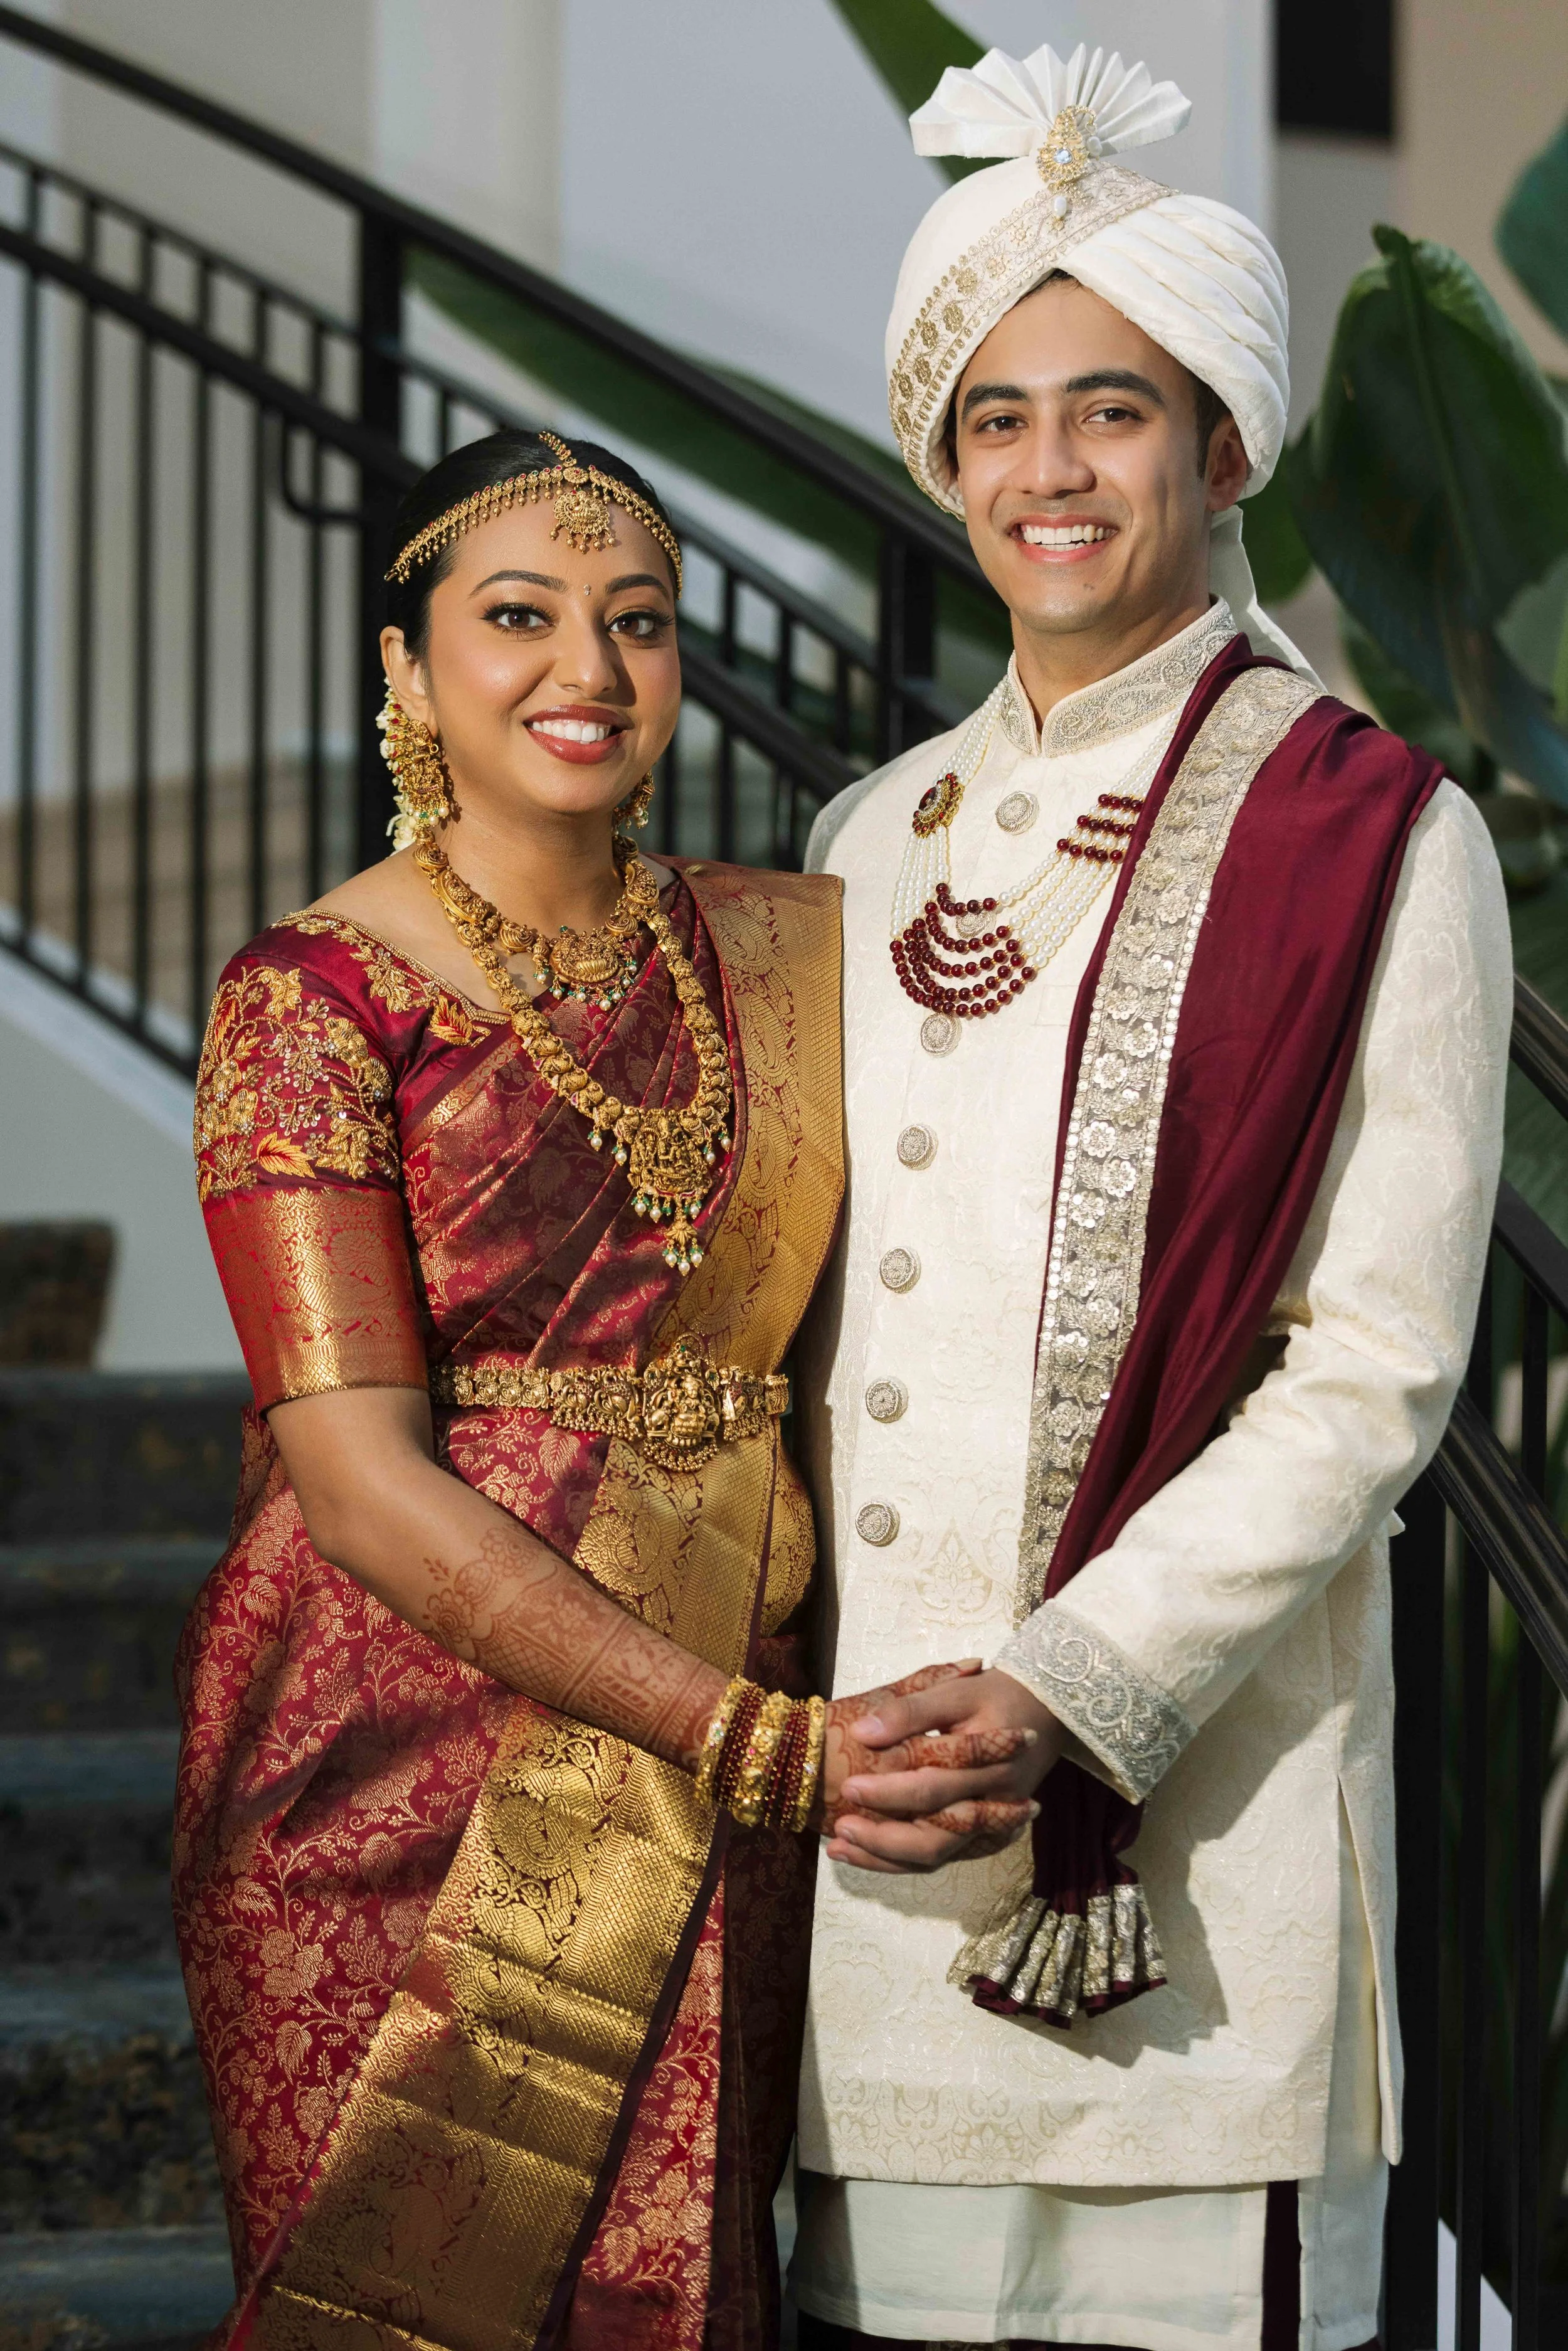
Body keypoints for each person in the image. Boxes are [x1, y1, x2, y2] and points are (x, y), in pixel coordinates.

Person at [790, 41, 1510, 2351]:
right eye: (995, 417)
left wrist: (1068, 1688)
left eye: (1112, 410)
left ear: (1219, 447)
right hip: (873, 1828)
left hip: (1180, 1830)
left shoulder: (1371, 828)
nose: (1050, 468)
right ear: (941, 459)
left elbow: (1378, 1364)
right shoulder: (862, 836)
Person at [176, 427, 1027, 2351]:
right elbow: (353, 1474)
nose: (588, 668)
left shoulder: (786, 954)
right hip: (393, 1748)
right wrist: (732, 1732)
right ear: (403, 666)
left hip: (744, 1678)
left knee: (678, 2290)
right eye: (517, 617)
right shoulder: (306, 997)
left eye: (634, 621)